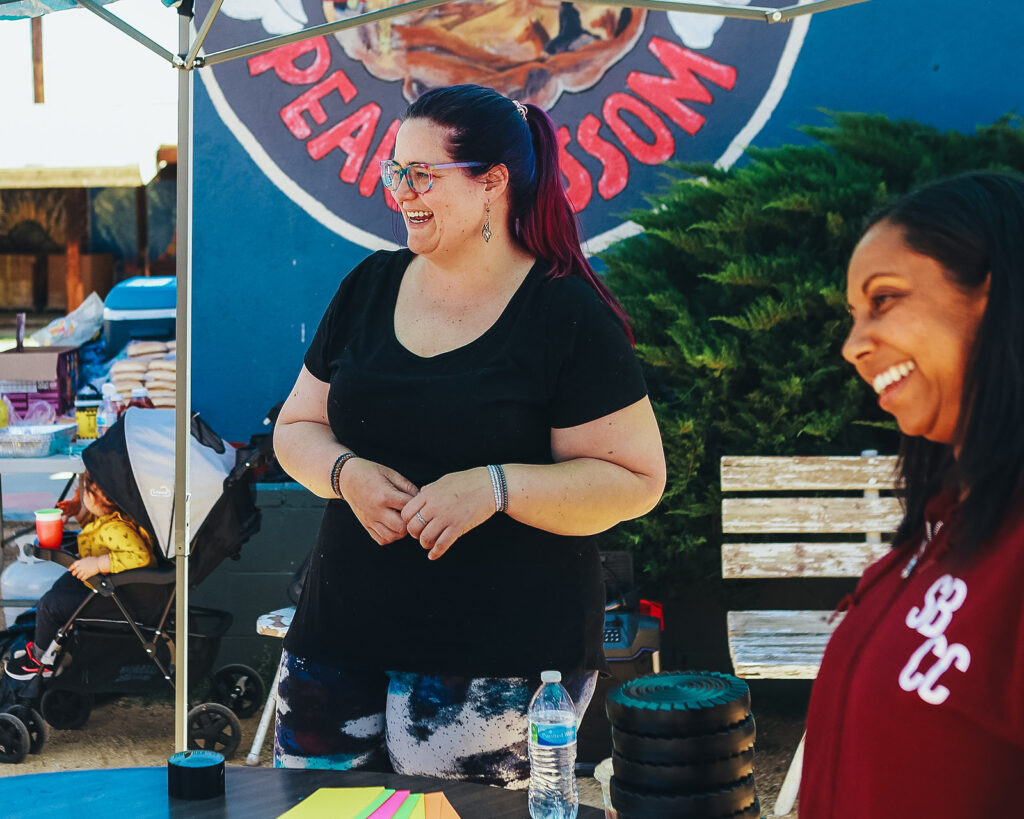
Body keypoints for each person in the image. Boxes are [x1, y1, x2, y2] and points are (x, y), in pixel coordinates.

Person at [273, 84, 666, 785]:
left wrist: (496, 487)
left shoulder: (564, 312)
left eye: (422, 174)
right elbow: (298, 426)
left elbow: (636, 479)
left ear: (492, 184)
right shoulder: (369, 284)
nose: (400, 191)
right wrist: (345, 473)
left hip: (502, 660)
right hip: (338, 634)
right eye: (396, 171)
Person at [801, 170, 1024, 817]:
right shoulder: (936, 531)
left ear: (993, 293)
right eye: (853, 314)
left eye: (885, 298)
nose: (852, 345)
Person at [5, 470, 156, 680]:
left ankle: (42, 661)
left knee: (50, 605)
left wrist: (98, 563)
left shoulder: (116, 528)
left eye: (83, 492)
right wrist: (78, 510)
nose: (79, 492)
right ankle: (57, 649)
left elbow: (139, 556)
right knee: (61, 587)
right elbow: (96, 532)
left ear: (94, 497)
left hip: (121, 597)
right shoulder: (110, 519)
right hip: (110, 587)